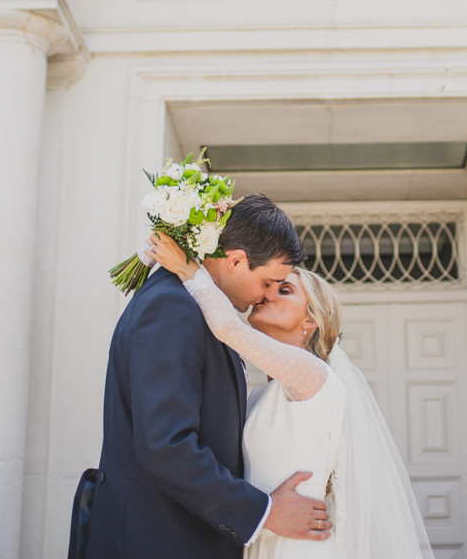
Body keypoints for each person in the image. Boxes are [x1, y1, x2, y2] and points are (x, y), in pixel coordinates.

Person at [149, 229, 435, 559]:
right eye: (268, 286)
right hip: (263, 540)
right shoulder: (258, 396)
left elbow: (228, 328)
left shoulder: (313, 375)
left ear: (310, 321)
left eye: (283, 290)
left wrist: (190, 270)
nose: (267, 295)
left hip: (300, 548)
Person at [85, 195, 333, 559]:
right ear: (236, 260)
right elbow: (166, 447)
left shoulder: (200, 311)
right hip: (162, 542)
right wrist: (263, 511)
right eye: (268, 282)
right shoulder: (174, 307)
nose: (265, 296)